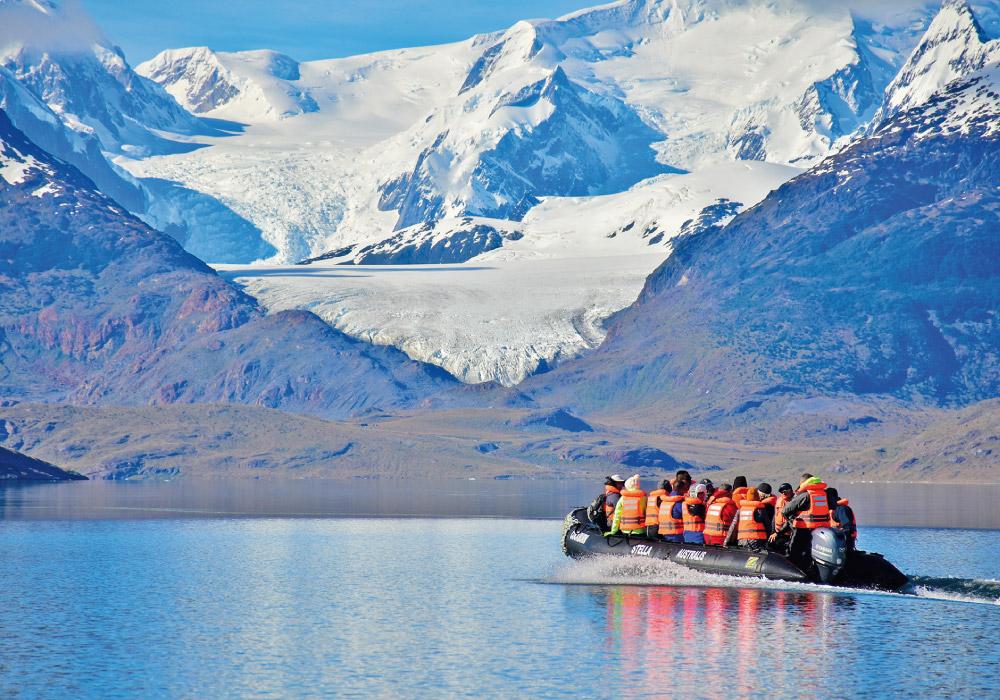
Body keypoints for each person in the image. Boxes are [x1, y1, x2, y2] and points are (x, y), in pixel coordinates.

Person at [770, 473, 829, 570]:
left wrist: (790, 519)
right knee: (809, 553)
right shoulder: (823, 493)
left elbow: (785, 510)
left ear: (803, 483)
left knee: (794, 553)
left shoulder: (805, 495)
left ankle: (794, 570)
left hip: (804, 529)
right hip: (821, 529)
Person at [733, 487, 773, 552]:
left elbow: (733, 526)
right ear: (757, 497)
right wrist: (768, 541)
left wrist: (727, 541)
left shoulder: (740, 510)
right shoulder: (760, 510)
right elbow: (768, 527)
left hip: (742, 540)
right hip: (757, 540)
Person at [827, 487, 857, 551]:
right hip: (832, 543)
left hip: (844, 543)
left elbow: (848, 528)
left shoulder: (842, 509)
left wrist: (839, 536)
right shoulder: (831, 510)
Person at [771, 482, 794, 550]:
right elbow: (775, 517)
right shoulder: (779, 501)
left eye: (786, 491)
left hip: (790, 533)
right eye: (781, 492)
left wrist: (778, 533)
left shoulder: (795, 502)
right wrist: (773, 532)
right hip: (779, 532)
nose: (783, 493)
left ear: (791, 491)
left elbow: (791, 521)